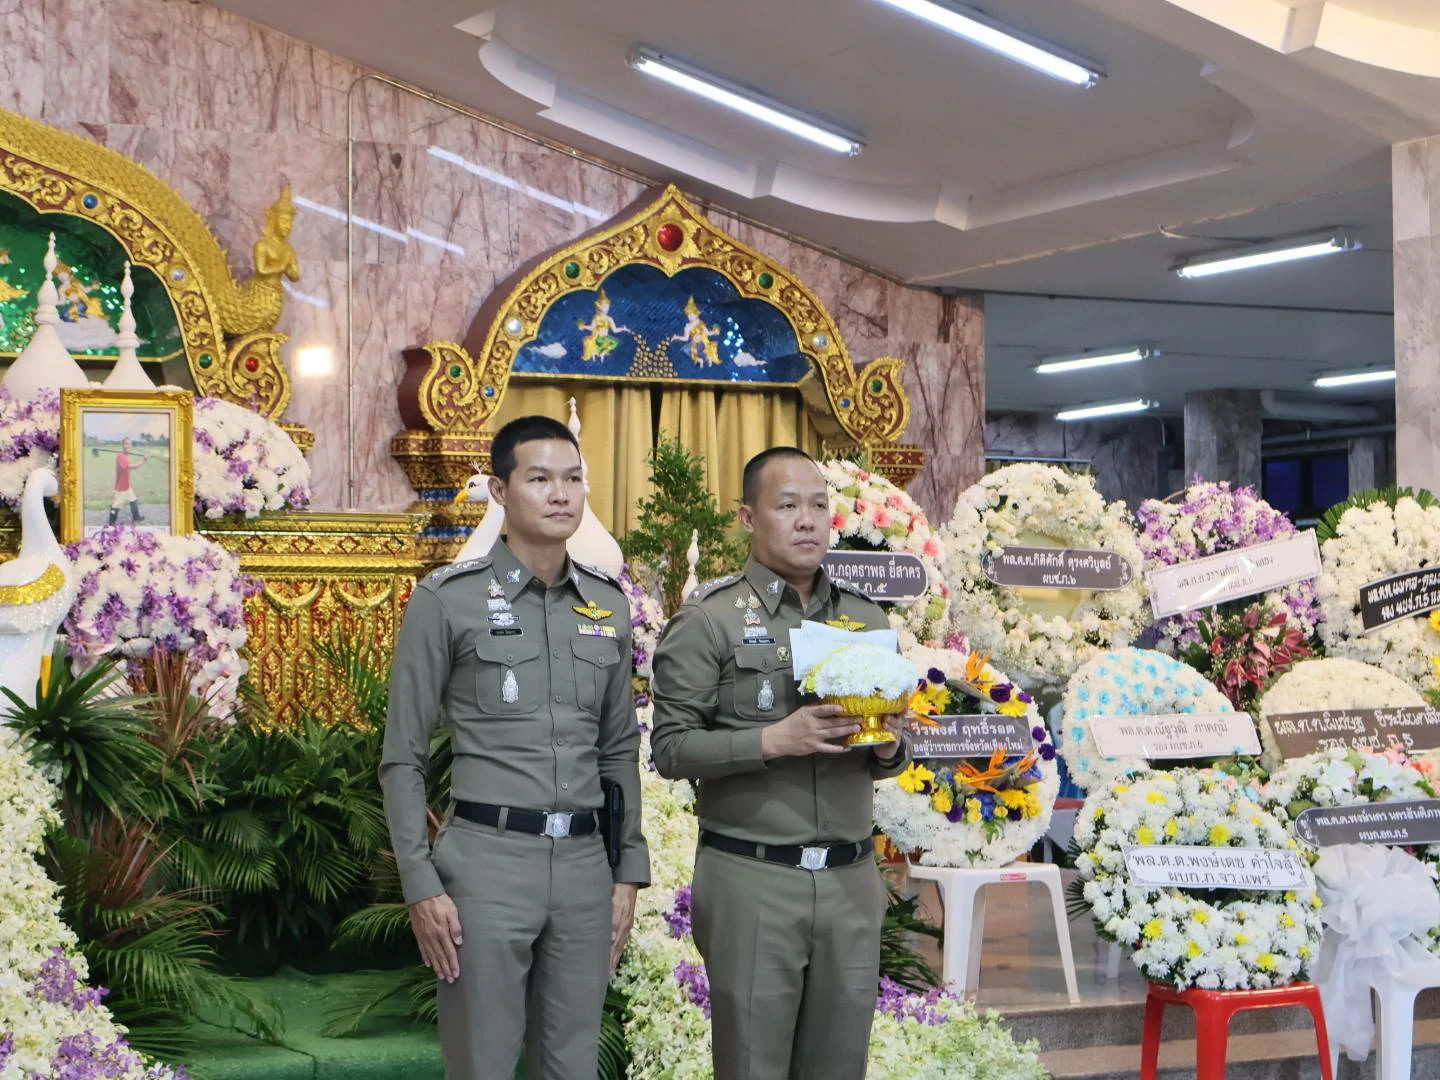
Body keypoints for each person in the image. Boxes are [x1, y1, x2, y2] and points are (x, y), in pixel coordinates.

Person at [380, 415, 650, 1080]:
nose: (561, 494)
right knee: (484, 1065)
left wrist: (626, 872)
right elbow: (403, 757)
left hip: (585, 870)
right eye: (540, 479)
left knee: (571, 1067)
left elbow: (619, 750)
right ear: (500, 491)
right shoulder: (448, 600)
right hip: (487, 865)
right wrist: (420, 884)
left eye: (573, 479)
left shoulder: (608, 606)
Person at [650, 446, 911, 1080]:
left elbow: (890, 751)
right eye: (788, 505)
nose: (807, 520)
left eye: (819, 506)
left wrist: (888, 744)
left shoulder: (865, 617)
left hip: (851, 881)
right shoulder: (709, 619)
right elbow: (671, 749)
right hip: (754, 879)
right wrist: (772, 740)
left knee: (840, 1066)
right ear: (748, 517)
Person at [108, 438, 147, 525]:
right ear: (123, 445)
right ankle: (111, 522)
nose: (128, 446)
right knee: (116, 506)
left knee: (133, 500)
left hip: (127, 485)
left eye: (130, 444)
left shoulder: (125, 455)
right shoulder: (121, 456)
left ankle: (136, 517)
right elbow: (131, 467)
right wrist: (143, 461)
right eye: (126, 444)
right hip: (121, 487)